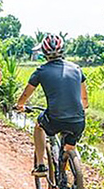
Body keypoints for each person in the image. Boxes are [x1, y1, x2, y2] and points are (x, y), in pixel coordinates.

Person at [15, 34, 89, 177]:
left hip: (55, 119)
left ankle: (41, 166)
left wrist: (20, 105)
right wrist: (82, 108)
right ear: (63, 50)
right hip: (78, 121)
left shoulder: (41, 71)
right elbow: (84, 98)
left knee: (39, 126)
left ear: (43, 52)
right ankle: (67, 177)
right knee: (69, 147)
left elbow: (26, 94)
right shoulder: (77, 69)